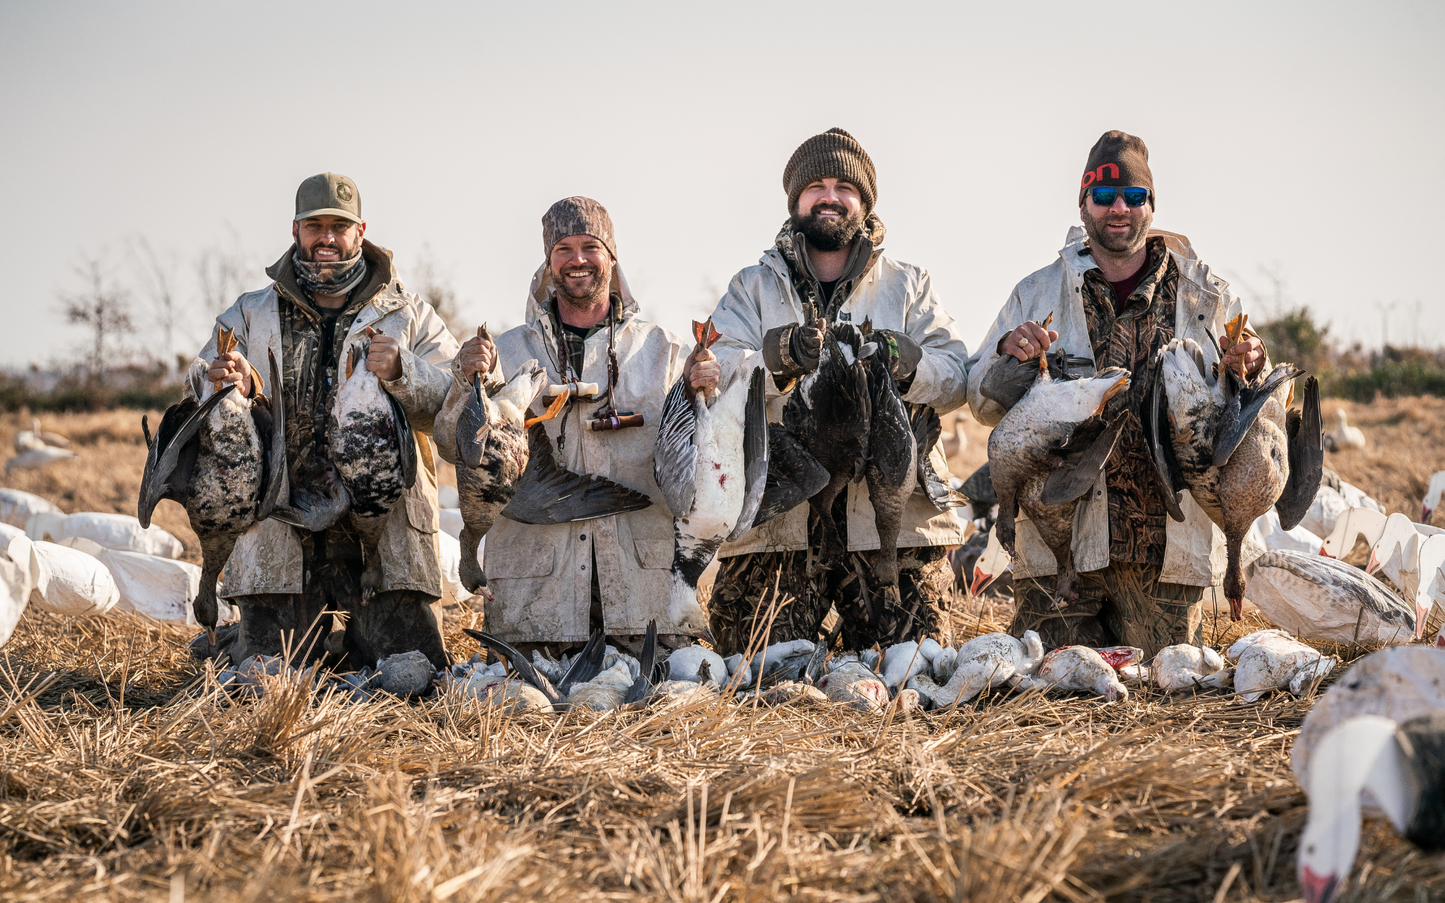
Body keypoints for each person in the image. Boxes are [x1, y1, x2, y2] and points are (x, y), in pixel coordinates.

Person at [965, 131, 1268, 657]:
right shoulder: (1038, 291)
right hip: (1060, 547)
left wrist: (1250, 365)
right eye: (1103, 197)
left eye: (1133, 196)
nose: (1119, 208)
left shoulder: (1207, 296)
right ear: (1083, 205)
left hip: (1165, 553)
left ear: (1152, 204)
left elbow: (1250, 399)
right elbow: (980, 401)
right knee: (1047, 695)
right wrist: (1010, 359)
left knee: (1165, 696)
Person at [705, 128, 971, 655]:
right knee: (757, 676)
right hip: (780, 525)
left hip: (894, 530)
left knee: (912, 675)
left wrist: (911, 364)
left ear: (864, 201)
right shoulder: (751, 288)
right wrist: (774, 358)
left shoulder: (908, 284)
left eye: (844, 186)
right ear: (796, 201)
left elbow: (959, 374)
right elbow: (714, 373)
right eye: (816, 186)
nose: (829, 196)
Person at [196, 172, 458, 668]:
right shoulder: (251, 313)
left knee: (409, 673)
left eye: (339, 227)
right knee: (268, 675)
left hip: (385, 517)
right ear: (295, 231)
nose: (327, 239)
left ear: (361, 231)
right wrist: (226, 381)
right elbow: (198, 375)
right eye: (315, 226)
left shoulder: (408, 313)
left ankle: (357, 638)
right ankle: (252, 641)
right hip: (283, 512)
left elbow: (455, 401)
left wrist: (406, 371)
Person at [447, 197, 718, 657]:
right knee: (529, 711)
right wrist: (462, 380)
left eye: (590, 246)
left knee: (657, 710)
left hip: (646, 606)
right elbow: (448, 439)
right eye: (563, 249)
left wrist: (707, 391)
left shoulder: (666, 353)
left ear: (612, 257)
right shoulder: (503, 353)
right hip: (536, 611)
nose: (577, 260)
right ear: (548, 261)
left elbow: (711, 457)